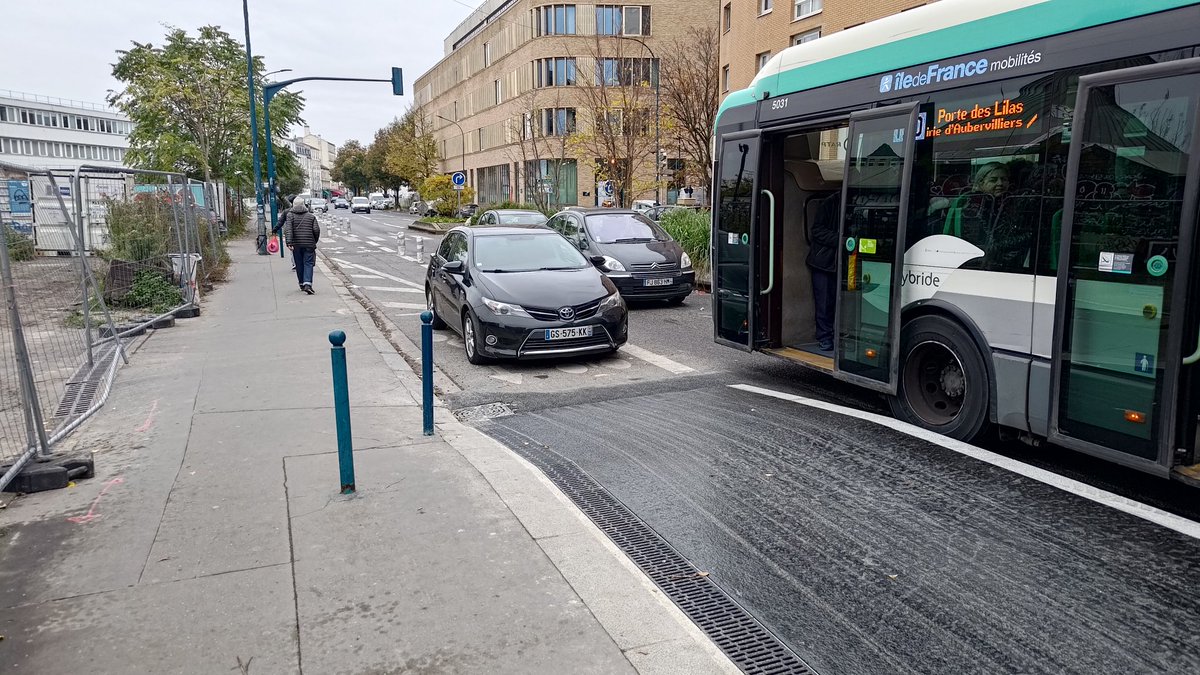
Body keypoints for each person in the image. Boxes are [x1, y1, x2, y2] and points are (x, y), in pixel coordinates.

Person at [806, 192, 841, 354]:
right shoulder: (830, 202)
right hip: (823, 262)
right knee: (824, 302)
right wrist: (842, 239)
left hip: (839, 261)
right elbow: (817, 230)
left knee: (835, 302)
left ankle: (833, 336)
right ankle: (825, 338)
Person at [285, 197, 320, 294]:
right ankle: (307, 284)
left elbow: (289, 230)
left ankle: (301, 283)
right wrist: (314, 241)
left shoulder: (290, 215)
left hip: (296, 244)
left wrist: (289, 242)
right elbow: (316, 230)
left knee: (299, 264)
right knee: (308, 263)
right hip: (309, 244)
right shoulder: (311, 216)